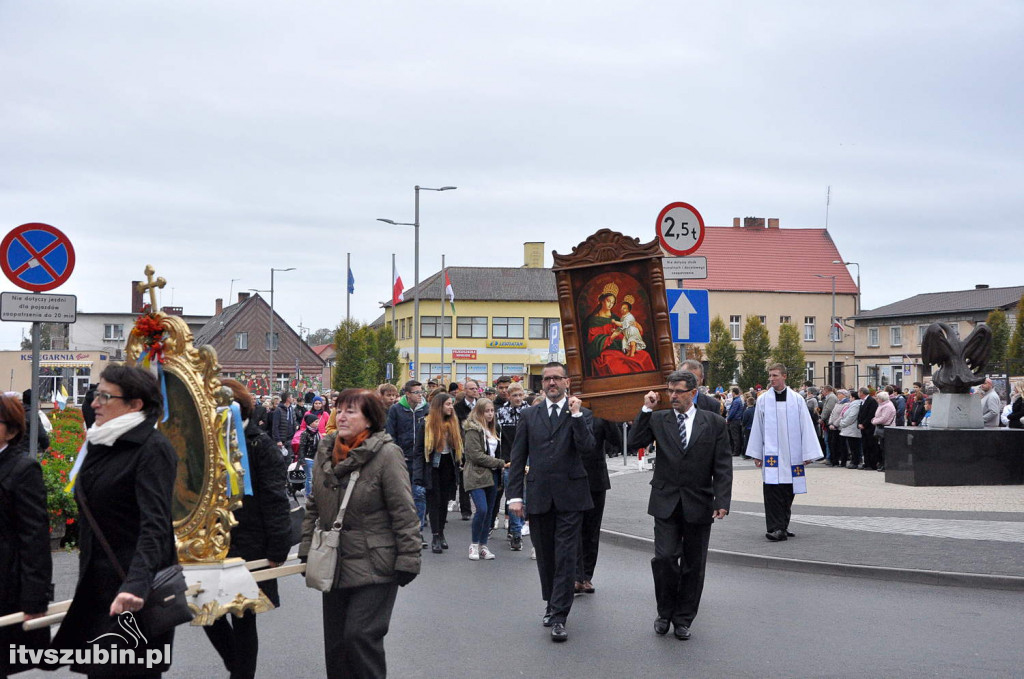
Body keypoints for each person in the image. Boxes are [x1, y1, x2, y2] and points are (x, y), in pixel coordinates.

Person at [52, 364, 178, 676]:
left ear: (135, 405)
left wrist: (135, 585)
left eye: (105, 397)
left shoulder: (153, 449)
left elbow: (155, 525)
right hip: (97, 590)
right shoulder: (101, 442)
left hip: (134, 596)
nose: (94, 403)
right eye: (96, 395)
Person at [299, 389, 420, 679]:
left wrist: (409, 558)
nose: (341, 416)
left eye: (351, 411)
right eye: (339, 409)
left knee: (360, 636)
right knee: (337, 646)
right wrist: (306, 548)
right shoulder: (326, 449)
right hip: (334, 561)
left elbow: (404, 510)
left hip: (376, 564)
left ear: (369, 419)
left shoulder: (387, 454)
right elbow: (314, 503)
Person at [627, 370, 731, 641]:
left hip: (699, 501)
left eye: (678, 391)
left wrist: (722, 500)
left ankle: (683, 619)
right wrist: (646, 409)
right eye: (670, 391)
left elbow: (722, 465)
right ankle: (664, 612)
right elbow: (634, 442)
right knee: (664, 558)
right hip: (665, 501)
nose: (672, 396)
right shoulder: (659, 419)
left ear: (693, 393)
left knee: (693, 564)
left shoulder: (714, 423)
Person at [203, 380, 291, 679]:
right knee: (206, 612)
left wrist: (278, 547)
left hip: (249, 543)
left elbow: (275, 498)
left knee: (242, 617)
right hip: (209, 542)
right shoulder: (204, 441)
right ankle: (236, 663)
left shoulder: (258, 443)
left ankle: (242, 674)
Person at [507, 362, 596, 642]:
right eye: (547, 379)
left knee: (566, 555)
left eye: (557, 378)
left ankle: (559, 615)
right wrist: (515, 496)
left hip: (571, 496)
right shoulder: (530, 415)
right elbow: (518, 456)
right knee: (545, 554)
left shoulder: (581, 414)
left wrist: (577, 415)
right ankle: (551, 602)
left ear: (567, 381)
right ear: (542, 384)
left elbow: (588, 449)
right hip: (540, 495)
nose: (552, 383)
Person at [0, 395, 52, 678]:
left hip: (6, 585)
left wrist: (34, 601)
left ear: (11, 430)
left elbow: (35, 539)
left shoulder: (23, 469)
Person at [744, 363, 823, 542]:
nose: (771, 379)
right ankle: (775, 528)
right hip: (771, 455)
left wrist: (808, 453)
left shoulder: (797, 400)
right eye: (770, 376)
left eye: (775, 375)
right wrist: (756, 453)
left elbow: (806, 426)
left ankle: (783, 525)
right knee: (772, 492)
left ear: (784, 376)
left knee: (788, 491)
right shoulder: (763, 400)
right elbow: (757, 427)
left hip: (792, 454)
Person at [415, 392, 463, 554]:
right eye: (448, 404)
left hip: (449, 467)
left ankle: (441, 532)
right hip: (432, 467)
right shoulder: (426, 424)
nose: (451, 407)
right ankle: (435, 535)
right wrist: (418, 475)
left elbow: (458, 449)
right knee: (434, 503)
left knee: (443, 503)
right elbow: (419, 452)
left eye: (452, 404)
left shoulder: (454, 423)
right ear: (439, 406)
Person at [462, 398, 506, 560]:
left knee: (490, 512)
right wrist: (500, 463)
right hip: (476, 474)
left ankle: (483, 545)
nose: (490, 414)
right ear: (479, 412)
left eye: (492, 411)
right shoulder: (473, 429)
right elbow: (475, 455)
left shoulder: (495, 429)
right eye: (486, 411)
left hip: (493, 475)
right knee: (482, 509)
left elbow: (499, 450)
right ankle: (473, 545)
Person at [385, 381, 429, 542]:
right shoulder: (396, 410)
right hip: (402, 459)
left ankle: (418, 531)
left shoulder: (426, 409)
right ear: (407, 394)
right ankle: (401, 530)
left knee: (419, 494)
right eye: (416, 392)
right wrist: (396, 454)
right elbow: (390, 433)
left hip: (421, 459)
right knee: (402, 496)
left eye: (421, 391)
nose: (420, 395)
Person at [576, 415, 615, 594]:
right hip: (572, 479)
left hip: (596, 480)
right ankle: (574, 575)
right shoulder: (568, 412)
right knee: (572, 529)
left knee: (592, 531)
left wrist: (611, 415)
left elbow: (618, 441)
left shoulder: (601, 416)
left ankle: (586, 577)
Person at [582, 283, 656, 376]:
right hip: (604, 352)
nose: (610, 305)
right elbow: (593, 342)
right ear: (601, 300)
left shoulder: (615, 317)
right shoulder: (594, 320)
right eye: (608, 301)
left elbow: (624, 332)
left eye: (612, 303)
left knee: (644, 356)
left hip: (620, 347)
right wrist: (611, 337)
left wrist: (635, 328)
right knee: (617, 366)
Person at [494, 383, 530, 550]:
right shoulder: (501, 413)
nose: (517, 398)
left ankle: (518, 527)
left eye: (520, 395)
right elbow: (498, 439)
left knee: (526, 497)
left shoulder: (530, 412)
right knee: (513, 496)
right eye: (514, 395)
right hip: (510, 462)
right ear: (508, 396)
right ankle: (516, 533)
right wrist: (502, 460)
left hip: (528, 461)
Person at [453, 379, 481, 521]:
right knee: (464, 478)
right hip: (464, 447)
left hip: (480, 446)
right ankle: (466, 510)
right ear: (465, 391)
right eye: (471, 389)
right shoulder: (458, 408)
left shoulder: (481, 406)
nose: (474, 391)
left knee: (479, 478)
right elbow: (456, 428)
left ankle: (480, 508)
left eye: (476, 388)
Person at [871, 390, 897, 473]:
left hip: (887, 428)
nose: (877, 399)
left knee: (885, 448)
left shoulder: (888, 406)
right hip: (881, 428)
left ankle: (886, 465)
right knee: (881, 447)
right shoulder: (882, 405)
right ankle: (882, 464)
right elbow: (878, 416)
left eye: (878, 398)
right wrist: (875, 419)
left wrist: (874, 421)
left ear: (882, 399)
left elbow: (884, 418)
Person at [838, 390, 863, 468]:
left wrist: (842, 423)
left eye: (850, 397)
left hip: (852, 429)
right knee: (853, 446)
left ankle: (855, 461)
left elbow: (851, 416)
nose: (849, 398)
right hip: (849, 429)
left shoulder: (855, 405)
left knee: (854, 446)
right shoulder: (852, 404)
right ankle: (854, 460)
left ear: (853, 397)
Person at [857, 387, 879, 470]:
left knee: (871, 445)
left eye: (859, 392)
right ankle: (866, 463)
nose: (858, 393)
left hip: (869, 427)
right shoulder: (862, 401)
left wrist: (864, 424)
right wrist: (859, 423)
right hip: (863, 427)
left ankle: (872, 464)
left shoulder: (871, 401)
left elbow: (871, 414)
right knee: (865, 446)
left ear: (862, 392)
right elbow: (860, 414)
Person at [725, 386, 745, 457]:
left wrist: (728, 419)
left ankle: (736, 451)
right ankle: (736, 450)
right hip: (737, 420)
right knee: (736, 436)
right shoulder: (738, 400)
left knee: (735, 436)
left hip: (735, 420)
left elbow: (733, 412)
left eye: (732, 392)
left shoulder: (736, 401)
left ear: (734, 393)